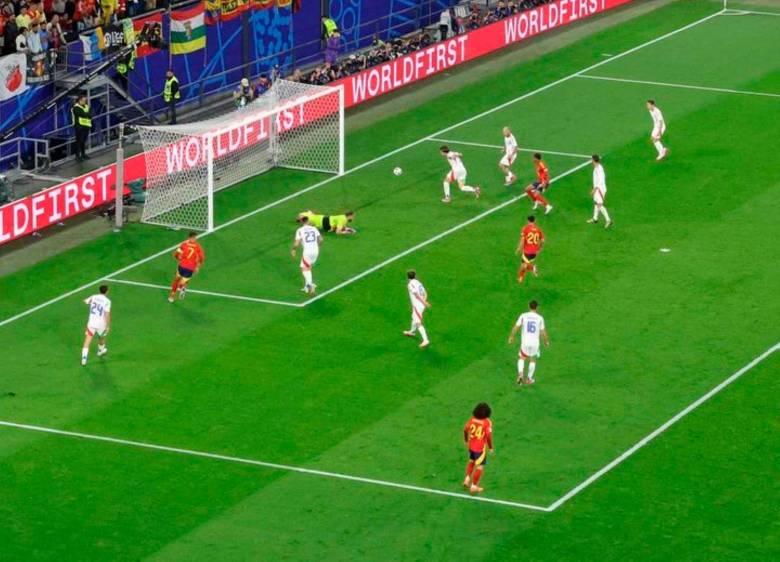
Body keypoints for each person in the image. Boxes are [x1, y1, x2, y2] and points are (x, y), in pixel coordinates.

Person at [508, 300, 550, 385]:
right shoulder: (540, 318)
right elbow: (543, 332)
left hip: (525, 342)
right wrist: (546, 341)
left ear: (528, 306)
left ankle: (520, 374)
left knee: (522, 357)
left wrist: (511, 337)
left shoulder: (523, 316)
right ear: (537, 307)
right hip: (535, 343)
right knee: (532, 359)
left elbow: (516, 327)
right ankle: (529, 379)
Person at [462, 402, 493, 494]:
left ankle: (467, 479)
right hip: (480, 449)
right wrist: (490, 447)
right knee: (480, 467)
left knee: (471, 461)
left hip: (471, 446)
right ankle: (474, 486)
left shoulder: (472, 420)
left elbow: (465, 429)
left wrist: (466, 440)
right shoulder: (487, 422)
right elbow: (488, 436)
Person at [168, 231, 205, 303]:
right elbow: (202, 258)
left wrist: (179, 259)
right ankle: (182, 287)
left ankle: (171, 296)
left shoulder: (184, 244)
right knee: (184, 282)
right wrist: (198, 266)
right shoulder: (197, 246)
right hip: (190, 268)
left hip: (181, 266)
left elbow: (176, 254)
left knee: (176, 279)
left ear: (188, 237)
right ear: (195, 238)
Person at [292, 215, 322, 295]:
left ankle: (311, 286)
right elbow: (321, 239)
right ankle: (307, 286)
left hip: (307, 251)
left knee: (304, 269)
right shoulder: (314, 228)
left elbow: (297, 242)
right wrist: (318, 247)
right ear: (308, 220)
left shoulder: (300, 230)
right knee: (308, 267)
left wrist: (293, 250)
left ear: (301, 222)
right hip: (316, 250)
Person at [81, 284, 111, 366]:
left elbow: (86, 301)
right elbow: (107, 314)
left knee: (87, 340)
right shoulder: (107, 301)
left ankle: (84, 359)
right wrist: (108, 326)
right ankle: (101, 351)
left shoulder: (94, 296)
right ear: (107, 291)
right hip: (101, 324)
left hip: (92, 322)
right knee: (101, 337)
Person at [403, 269, 430, 348]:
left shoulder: (410, 284)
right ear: (415, 275)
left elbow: (416, 295)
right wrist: (424, 301)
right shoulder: (419, 282)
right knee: (414, 318)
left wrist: (423, 302)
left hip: (418, 306)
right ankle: (412, 332)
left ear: (408, 277)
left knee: (418, 323)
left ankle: (425, 340)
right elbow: (425, 293)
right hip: (421, 305)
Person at [516, 215, 544, 283]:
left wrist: (519, 248)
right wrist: (540, 248)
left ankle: (533, 268)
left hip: (527, 251)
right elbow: (542, 240)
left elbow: (522, 240)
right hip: (534, 252)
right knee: (523, 265)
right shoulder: (538, 229)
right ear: (534, 221)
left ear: (528, 221)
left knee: (524, 265)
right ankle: (520, 278)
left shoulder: (526, 228)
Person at [587, 154, 612, 228]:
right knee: (596, 203)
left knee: (599, 205)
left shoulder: (599, 169)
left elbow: (600, 180)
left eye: (591, 159)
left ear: (594, 160)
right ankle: (595, 218)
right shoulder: (597, 167)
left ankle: (608, 220)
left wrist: (594, 189)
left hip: (600, 189)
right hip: (598, 188)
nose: (591, 161)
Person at [71, 93, 91, 161]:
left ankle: (83, 154)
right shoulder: (76, 107)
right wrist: (87, 114)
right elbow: (81, 114)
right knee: (79, 141)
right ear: (80, 100)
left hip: (86, 126)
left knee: (83, 141)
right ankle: (77, 156)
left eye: (85, 100)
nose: (85, 102)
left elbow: (90, 114)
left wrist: (87, 114)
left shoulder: (86, 106)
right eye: (84, 100)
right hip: (79, 127)